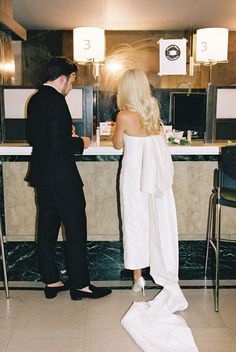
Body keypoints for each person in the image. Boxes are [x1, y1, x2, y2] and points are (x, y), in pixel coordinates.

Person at [112, 69, 198, 352]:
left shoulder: (124, 115)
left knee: (135, 225)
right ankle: (159, 271)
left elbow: (116, 144)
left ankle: (138, 279)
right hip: (154, 181)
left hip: (134, 179)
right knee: (155, 225)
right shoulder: (153, 111)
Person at [25, 56, 112, 301]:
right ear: (62, 78)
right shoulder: (56, 100)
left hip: (43, 175)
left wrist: (65, 133)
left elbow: (35, 138)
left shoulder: (35, 99)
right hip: (62, 177)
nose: (72, 86)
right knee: (75, 230)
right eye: (72, 80)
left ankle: (52, 281)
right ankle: (81, 285)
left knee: (46, 229)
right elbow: (59, 143)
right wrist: (80, 142)